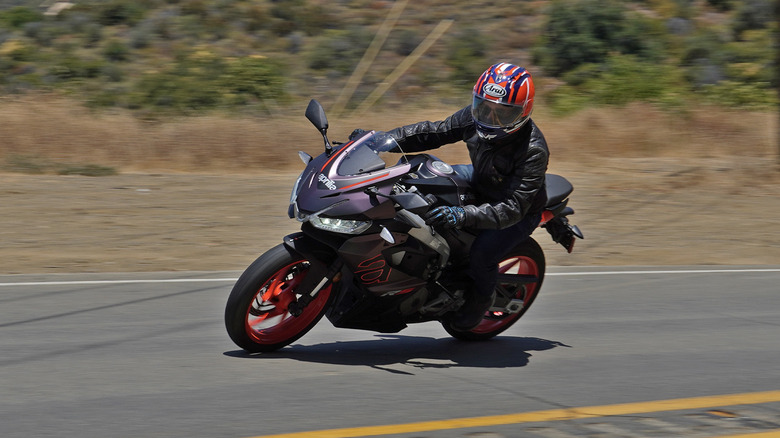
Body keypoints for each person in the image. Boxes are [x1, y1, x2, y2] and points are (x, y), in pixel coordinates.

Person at [378, 62, 550, 331]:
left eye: (503, 112)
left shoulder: (533, 150)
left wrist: (461, 214)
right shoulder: (473, 117)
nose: (490, 118)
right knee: (417, 176)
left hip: (516, 209)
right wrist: (382, 140)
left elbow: (513, 207)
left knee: (482, 256)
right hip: (481, 178)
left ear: (522, 112)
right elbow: (433, 132)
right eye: (485, 108)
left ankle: (479, 304)